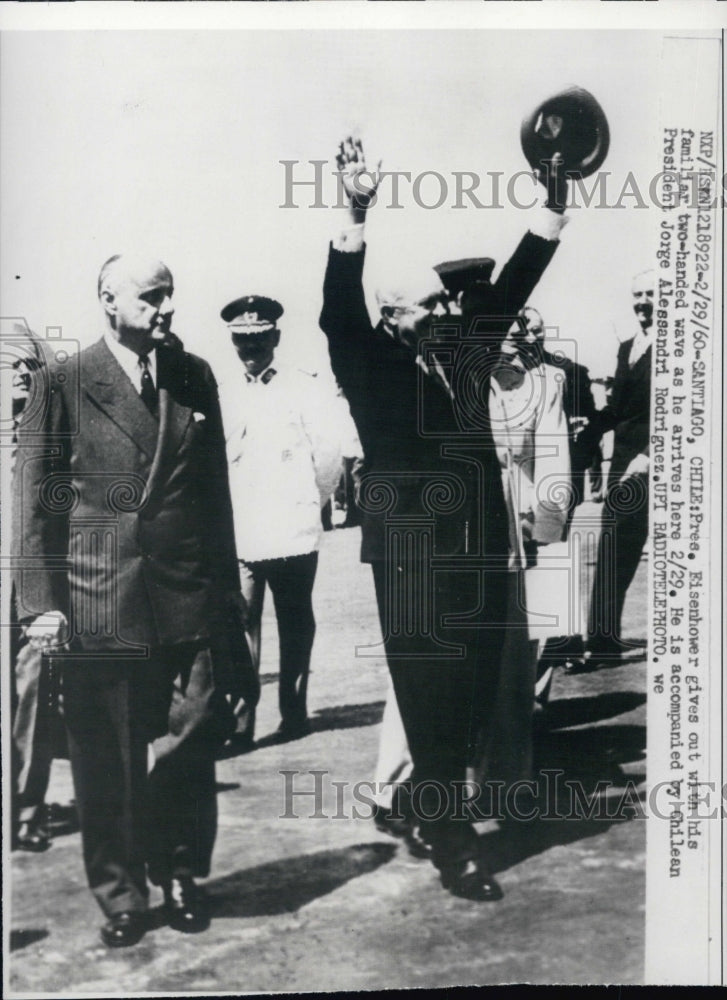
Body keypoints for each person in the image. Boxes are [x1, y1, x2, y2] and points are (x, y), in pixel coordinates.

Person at [320, 136, 570, 900]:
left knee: (463, 696)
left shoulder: (461, 354)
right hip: (410, 558)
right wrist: (354, 214)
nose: (441, 315)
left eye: (441, 306)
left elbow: (513, 281)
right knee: (428, 696)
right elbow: (336, 308)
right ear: (390, 318)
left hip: (478, 553)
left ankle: (426, 805)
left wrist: (553, 204)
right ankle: (453, 840)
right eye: (422, 309)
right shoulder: (365, 362)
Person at [12, 254, 244, 948]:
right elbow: (33, 501)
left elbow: (214, 497)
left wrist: (226, 596)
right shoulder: (63, 383)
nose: (165, 307)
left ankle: (179, 872)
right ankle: (121, 894)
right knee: (104, 756)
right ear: (109, 300)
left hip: (185, 591)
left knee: (194, 734)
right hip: (97, 597)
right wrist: (39, 603)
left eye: (170, 294)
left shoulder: (192, 374)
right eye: (150, 296)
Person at [221, 294, 342, 742]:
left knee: (294, 622)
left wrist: (310, 503)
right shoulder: (223, 390)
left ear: (275, 335)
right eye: (241, 341)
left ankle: (294, 711)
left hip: (292, 531)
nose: (250, 348)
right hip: (243, 532)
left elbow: (328, 461)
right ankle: (239, 723)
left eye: (258, 338)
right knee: (239, 627)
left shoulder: (304, 386)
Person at [577, 270, 653, 668]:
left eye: (652, 294)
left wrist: (650, 454)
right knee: (615, 548)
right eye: (637, 294)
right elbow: (616, 410)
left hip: (653, 461)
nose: (643, 301)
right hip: (624, 462)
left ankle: (602, 639)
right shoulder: (627, 347)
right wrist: (586, 432)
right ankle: (602, 639)